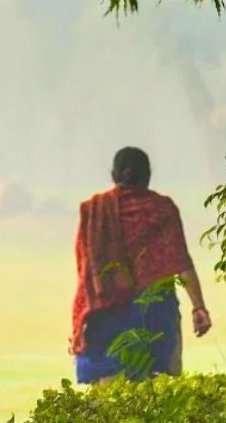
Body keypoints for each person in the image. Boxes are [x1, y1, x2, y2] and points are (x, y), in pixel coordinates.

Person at [72, 147, 212, 383]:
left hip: (107, 313)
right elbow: (181, 260)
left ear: (114, 175)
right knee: (159, 395)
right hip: (156, 313)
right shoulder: (163, 208)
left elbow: (87, 269)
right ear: (147, 175)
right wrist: (198, 307)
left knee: (110, 401)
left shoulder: (94, 209)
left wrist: (82, 317)